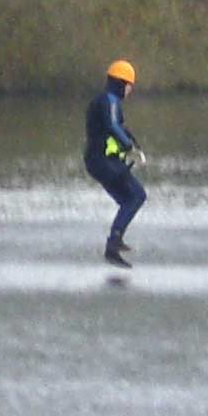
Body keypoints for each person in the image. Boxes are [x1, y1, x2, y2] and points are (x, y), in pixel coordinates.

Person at [84, 59, 145, 268]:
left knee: (128, 199)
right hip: (102, 162)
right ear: (122, 83)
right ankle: (113, 243)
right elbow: (111, 125)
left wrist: (134, 144)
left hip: (97, 162)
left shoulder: (106, 101)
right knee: (136, 195)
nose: (130, 91)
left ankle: (114, 244)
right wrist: (129, 146)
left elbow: (119, 126)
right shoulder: (109, 101)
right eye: (129, 86)